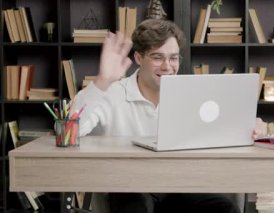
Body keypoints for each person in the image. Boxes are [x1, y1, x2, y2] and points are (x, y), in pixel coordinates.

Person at [73, 19, 242, 213]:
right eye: (157, 57)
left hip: (175, 188)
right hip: (127, 188)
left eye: (174, 58)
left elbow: (220, 131)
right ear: (138, 58)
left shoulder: (191, 96)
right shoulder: (111, 92)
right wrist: (102, 80)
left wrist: (249, 128)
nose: (168, 67)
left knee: (224, 208)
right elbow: (71, 130)